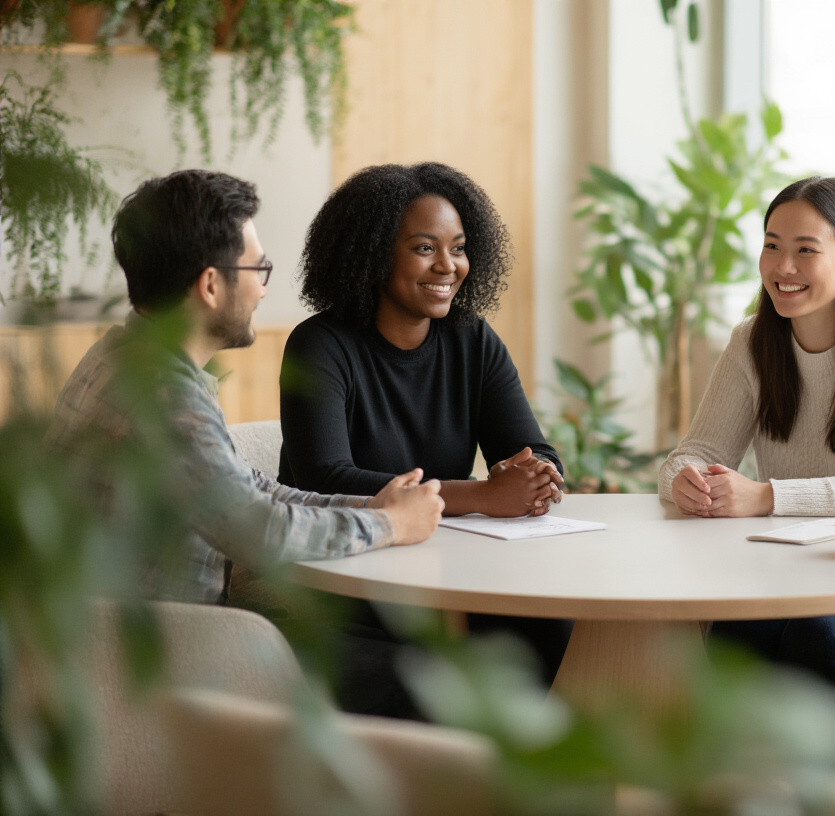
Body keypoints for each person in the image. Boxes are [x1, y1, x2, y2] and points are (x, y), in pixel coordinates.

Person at [47, 169, 445, 716]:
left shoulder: (126, 357)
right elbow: (260, 532)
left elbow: (247, 490)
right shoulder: (166, 396)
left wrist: (372, 505)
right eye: (258, 268)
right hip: (156, 666)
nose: (263, 285)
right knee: (427, 677)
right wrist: (391, 526)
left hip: (122, 645)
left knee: (398, 653)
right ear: (211, 285)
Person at [279, 162, 570, 680]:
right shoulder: (319, 345)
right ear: (371, 254)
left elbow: (531, 448)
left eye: (458, 248)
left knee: (554, 630)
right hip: (347, 575)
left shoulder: (472, 340)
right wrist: (482, 496)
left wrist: (537, 476)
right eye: (423, 248)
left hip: (449, 570)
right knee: (464, 664)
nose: (448, 266)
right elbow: (325, 478)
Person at [659, 176, 835, 697]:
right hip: (800, 566)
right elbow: (695, 453)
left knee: (822, 638)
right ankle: (738, 780)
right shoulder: (753, 339)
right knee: (736, 631)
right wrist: (686, 480)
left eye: (805, 250)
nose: (782, 267)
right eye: (771, 246)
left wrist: (766, 495)